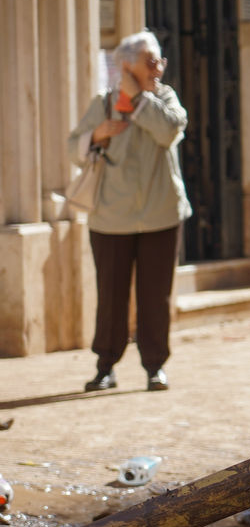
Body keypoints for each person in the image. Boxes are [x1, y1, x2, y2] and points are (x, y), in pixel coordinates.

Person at [68, 30, 190, 392]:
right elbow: (73, 146)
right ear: (126, 66)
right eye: (150, 61)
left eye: (160, 60)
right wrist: (97, 134)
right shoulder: (103, 103)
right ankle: (106, 365)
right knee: (111, 296)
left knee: (156, 295)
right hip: (110, 217)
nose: (158, 67)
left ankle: (155, 366)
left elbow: (169, 131)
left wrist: (139, 100)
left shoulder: (165, 98)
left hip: (161, 215)